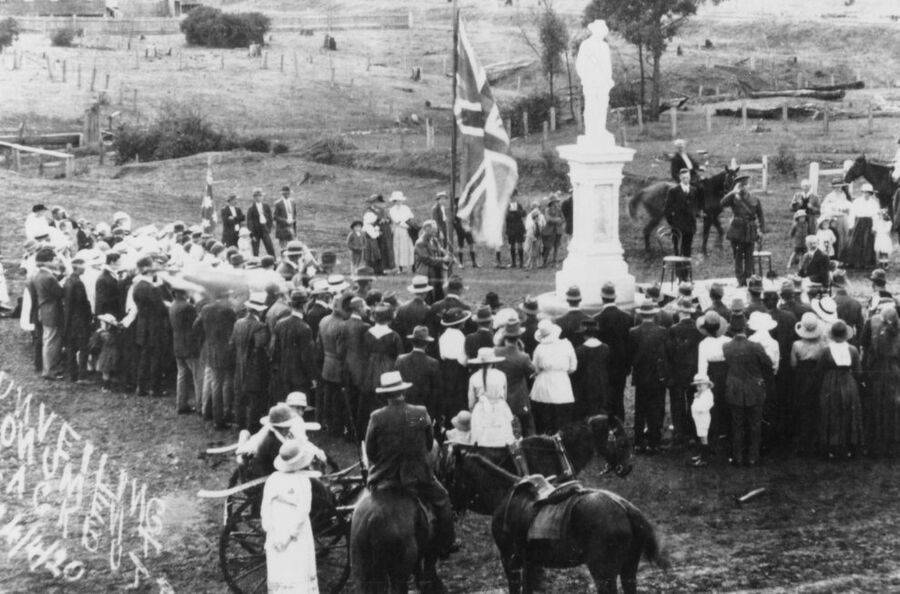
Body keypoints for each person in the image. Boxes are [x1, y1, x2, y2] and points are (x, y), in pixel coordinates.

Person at [365, 370, 456, 557]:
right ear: (403, 392)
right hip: (418, 476)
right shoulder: (417, 413)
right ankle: (447, 542)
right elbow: (429, 443)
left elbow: (370, 452)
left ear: (384, 395)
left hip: (385, 477)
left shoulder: (377, 417)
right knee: (443, 499)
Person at [261, 440, 321, 594]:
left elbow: (265, 509)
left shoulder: (272, 479)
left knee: (281, 567)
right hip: (296, 532)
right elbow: (303, 511)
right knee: (298, 567)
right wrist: (290, 536)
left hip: (278, 528)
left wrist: (271, 532)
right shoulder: (303, 481)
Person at [723, 316, 772, 466]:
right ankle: (752, 457)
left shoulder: (726, 346)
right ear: (746, 328)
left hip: (734, 388)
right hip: (754, 388)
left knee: (737, 424)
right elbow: (768, 363)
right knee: (755, 424)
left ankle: (738, 456)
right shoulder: (755, 346)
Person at [817, 320, 863, 459]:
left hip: (830, 382)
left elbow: (819, 369)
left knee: (831, 412)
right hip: (848, 382)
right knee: (848, 412)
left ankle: (832, 447)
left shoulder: (826, 350)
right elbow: (858, 371)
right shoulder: (853, 350)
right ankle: (847, 446)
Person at [628, 303, 669, 453]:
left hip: (641, 375)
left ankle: (638, 442)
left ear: (641, 315)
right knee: (656, 408)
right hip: (657, 375)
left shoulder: (633, 332)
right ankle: (654, 442)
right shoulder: (662, 332)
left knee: (640, 408)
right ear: (654, 314)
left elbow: (631, 355)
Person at [195, 288, 237, 427]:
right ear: (225, 296)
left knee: (212, 382)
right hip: (226, 350)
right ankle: (221, 418)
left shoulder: (206, 309)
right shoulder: (228, 311)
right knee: (224, 383)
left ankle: (208, 412)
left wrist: (206, 338)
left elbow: (196, 327)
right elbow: (234, 330)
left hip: (210, 348)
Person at [360, 304, 403, 433]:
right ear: (390, 318)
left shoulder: (367, 333)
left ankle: (369, 428)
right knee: (387, 395)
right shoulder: (394, 336)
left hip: (370, 369)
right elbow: (400, 356)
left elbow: (363, 353)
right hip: (388, 368)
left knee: (370, 398)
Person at [231, 292, 271, 432]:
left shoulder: (238, 323)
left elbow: (232, 343)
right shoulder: (260, 326)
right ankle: (252, 426)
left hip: (239, 365)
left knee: (240, 396)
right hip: (254, 368)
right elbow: (260, 348)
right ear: (260, 311)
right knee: (255, 399)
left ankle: (239, 423)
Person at [530, 319, 577, 434]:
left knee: (543, 418)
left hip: (543, 383)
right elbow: (573, 367)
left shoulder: (539, 348)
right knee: (562, 419)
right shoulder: (566, 344)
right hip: (561, 383)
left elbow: (535, 368)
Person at [666, 298, 703, 445]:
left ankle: (679, 432)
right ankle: (693, 431)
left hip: (677, 372)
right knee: (694, 401)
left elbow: (669, 352)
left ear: (680, 311)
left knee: (677, 402)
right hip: (694, 371)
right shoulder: (698, 329)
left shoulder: (673, 330)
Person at [271, 290, 318, 403]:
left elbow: (275, 351)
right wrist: (313, 377)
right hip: (300, 377)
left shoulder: (280, 324)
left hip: (283, 374)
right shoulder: (305, 328)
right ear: (304, 305)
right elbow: (307, 356)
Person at [595, 282, 631, 423]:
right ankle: (619, 425)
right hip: (621, 365)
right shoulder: (627, 318)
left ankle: (607, 425)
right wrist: (628, 366)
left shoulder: (597, 319)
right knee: (619, 396)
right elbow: (629, 344)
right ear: (614, 298)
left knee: (605, 396)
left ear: (602, 298)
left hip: (605, 366)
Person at [790, 313, 826, 455]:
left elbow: (793, 364)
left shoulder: (797, 345)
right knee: (816, 407)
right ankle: (815, 439)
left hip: (801, 377)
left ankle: (802, 440)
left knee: (802, 407)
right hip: (816, 376)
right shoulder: (823, 346)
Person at [866, 307, 900, 457]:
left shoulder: (878, 332)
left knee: (877, 406)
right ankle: (893, 443)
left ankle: (877, 443)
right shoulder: (894, 332)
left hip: (878, 371)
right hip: (894, 371)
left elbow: (870, 352)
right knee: (893, 407)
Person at [721, 173, 765, 287]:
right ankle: (740, 280)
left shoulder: (755, 198)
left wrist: (761, 230)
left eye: (746, 185)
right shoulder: (733, 197)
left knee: (749, 256)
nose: (744, 187)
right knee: (738, 256)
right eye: (741, 185)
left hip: (750, 229)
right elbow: (722, 203)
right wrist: (732, 192)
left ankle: (748, 278)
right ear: (738, 186)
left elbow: (760, 216)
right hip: (737, 230)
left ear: (749, 185)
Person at [494, 319, 536, 437]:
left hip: (501, 395)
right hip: (519, 397)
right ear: (518, 337)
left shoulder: (495, 352)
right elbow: (532, 372)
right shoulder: (523, 357)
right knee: (528, 426)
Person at [467, 347, 515, 447]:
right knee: (501, 440)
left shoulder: (474, 377)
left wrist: (474, 411)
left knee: (482, 440)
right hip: (499, 409)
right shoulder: (501, 375)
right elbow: (504, 397)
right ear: (493, 362)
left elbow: (471, 402)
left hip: (481, 411)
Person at [696, 311, 730, 449]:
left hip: (712, 375)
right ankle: (725, 430)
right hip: (726, 374)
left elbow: (702, 367)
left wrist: (701, 387)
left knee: (713, 404)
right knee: (725, 402)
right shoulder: (728, 341)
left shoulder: (704, 344)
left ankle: (714, 431)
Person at [339, 296, 371, 441]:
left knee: (349, 402)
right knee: (360, 403)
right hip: (361, 370)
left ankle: (349, 432)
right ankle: (359, 433)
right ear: (358, 308)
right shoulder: (365, 327)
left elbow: (340, 349)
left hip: (347, 368)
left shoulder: (344, 324)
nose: (366, 310)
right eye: (364, 307)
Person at [33, 248, 65, 380]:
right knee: (52, 341)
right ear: (47, 262)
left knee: (48, 339)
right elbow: (60, 293)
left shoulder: (39, 275)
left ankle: (49, 368)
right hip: (52, 311)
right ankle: (50, 370)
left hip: (45, 310)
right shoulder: (49, 277)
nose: (55, 261)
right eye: (54, 259)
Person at [437, 308, 471, 428]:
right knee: (459, 398)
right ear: (459, 323)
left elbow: (442, 355)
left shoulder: (443, 336)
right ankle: (459, 424)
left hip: (445, 368)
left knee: (448, 396)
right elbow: (463, 359)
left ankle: (448, 424)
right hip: (458, 369)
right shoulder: (461, 337)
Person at [395, 326, 440, 415]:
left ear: (412, 342)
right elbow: (435, 390)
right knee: (418, 426)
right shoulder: (433, 362)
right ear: (427, 343)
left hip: (403, 405)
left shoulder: (400, 359)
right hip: (423, 407)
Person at [664, 168, 699, 280]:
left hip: (690, 227)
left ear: (690, 177)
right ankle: (680, 277)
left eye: (687, 178)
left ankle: (687, 277)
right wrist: (673, 224)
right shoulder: (673, 191)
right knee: (678, 251)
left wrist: (694, 217)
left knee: (687, 250)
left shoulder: (694, 190)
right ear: (680, 178)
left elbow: (695, 206)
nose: (686, 180)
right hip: (678, 228)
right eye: (683, 178)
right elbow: (667, 210)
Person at [571, 318, 610, 419]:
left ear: (584, 334)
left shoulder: (579, 350)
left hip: (585, 385)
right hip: (602, 382)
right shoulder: (605, 348)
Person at [63, 256, 93, 383]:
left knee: (71, 347)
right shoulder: (78, 283)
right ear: (78, 267)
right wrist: (89, 315)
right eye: (83, 266)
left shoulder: (68, 281)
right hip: (80, 320)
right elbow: (83, 303)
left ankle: (72, 374)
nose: (85, 268)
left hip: (70, 319)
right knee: (83, 348)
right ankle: (82, 376)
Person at [841, 182, 878, 269]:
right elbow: (852, 214)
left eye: (868, 192)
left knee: (867, 242)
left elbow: (876, 216)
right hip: (858, 223)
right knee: (855, 241)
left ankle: (866, 262)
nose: (866, 194)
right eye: (865, 192)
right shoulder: (857, 201)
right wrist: (851, 225)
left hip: (869, 223)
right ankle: (853, 262)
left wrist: (874, 227)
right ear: (862, 192)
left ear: (871, 193)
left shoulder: (874, 203)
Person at [413, 221, 450, 301]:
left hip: (437, 270)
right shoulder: (420, 243)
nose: (435, 232)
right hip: (427, 272)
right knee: (429, 294)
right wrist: (443, 259)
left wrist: (445, 254)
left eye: (435, 229)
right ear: (425, 229)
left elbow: (440, 250)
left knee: (439, 292)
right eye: (432, 230)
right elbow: (427, 259)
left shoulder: (434, 240)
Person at [394, 276, 432, 350]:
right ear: (426, 292)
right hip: (422, 347)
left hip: (405, 346)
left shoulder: (402, 308)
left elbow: (397, 329)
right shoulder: (428, 310)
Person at [820, 178, 852, 254]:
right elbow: (824, 208)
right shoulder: (830, 196)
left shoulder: (843, 195)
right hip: (833, 218)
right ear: (833, 187)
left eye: (840, 186)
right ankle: (834, 255)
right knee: (835, 235)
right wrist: (831, 213)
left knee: (844, 236)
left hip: (843, 218)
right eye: (836, 186)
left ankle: (843, 255)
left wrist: (846, 210)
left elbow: (847, 205)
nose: (838, 188)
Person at [690, 373, 715, 467]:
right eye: (697, 385)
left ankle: (704, 458)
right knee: (701, 437)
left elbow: (707, 406)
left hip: (703, 418)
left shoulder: (708, 395)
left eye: (701, 385)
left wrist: (698, 407)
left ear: (707, 385)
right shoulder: (700, 394)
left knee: (704, 437)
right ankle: (701, 455)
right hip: (698, 419)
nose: (699, 387)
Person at [388, 191, 415, 273]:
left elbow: (410, 217)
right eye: (396, 200)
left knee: (406, 248)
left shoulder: (406, 208)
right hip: (397, 230)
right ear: (394, 201)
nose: (398, 202)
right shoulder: (392, 210)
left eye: (400, 200)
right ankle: (399, 267)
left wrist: (407, 224)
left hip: (406, 230)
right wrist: (403, 223)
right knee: (397, 248)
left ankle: (407, 266)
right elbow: (396, 220)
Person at [93, 314, 120, 393]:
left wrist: (98, 333)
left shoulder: (105, 334)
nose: (101, 324)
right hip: (109, 353)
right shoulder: (111, 333)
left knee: (106, 371)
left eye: (103, 323)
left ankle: (106, 387)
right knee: (107, 371)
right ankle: (109, 386)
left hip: (108, 354)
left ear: (108, 325)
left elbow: (100, 341)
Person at [247, 189, 276, 257]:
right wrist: (252, 234)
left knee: (270, 247)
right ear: (254, 198)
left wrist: (268, 228)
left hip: (265, 230)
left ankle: (273, 262)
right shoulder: (251, 208)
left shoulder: (266, 206)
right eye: (256, 196)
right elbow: (249, 222)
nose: (258, 198)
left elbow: (270, 218)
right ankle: (255, 263)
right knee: (255, 250)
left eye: (260, 196)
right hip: (255, 231)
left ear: (262, 197)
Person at [541, 195, 565, 267]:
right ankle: (544, 262)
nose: (557, 203)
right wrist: (557, 219)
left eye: (557, 202)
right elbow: (548, 219)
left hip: (558, 230)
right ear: (552, 202)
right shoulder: (547, 209)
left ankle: (554, 262)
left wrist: (558, 220)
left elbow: (563, 218)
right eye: (556, 201)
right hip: (549, 231)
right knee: (548, 247)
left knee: (556, 247)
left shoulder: (559, 209)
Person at [505, 192, 526, 268]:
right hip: (511, 228)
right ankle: (513, 263)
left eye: (515, 196)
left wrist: (517, 211)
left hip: (519, 227)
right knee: (512, 245)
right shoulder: (507, 206)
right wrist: (510, 212)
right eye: (512, 196)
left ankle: (521, 263)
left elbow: (524, 214)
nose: (514, 198)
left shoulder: (519, 205)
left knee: (520, 244)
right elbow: (506, 217)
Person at [274, 185, 297, 249]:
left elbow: (294, 214)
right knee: (283, 248)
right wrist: (285, 221)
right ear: (282, 194)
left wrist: (293, 220)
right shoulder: (278, 203)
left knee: (292, 246)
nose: (287, 195)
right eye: (285, 193)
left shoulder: (293, 202)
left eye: (288, 193)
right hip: (282, 228)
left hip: (291, 227)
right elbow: (275, 216)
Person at [523, 202, 544, 270]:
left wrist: (539, 240)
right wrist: (533, 239)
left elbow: (540, 232)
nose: (538, 218)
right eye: (537, 217)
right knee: (532, 254)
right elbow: (530, 234)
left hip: (538, 240)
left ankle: (532, 265)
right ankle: (528, 265)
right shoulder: (532, 226)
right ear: (534, 218)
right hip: (533, 241)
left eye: (538, 217)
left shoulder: (539, 225)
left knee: (536, 253)